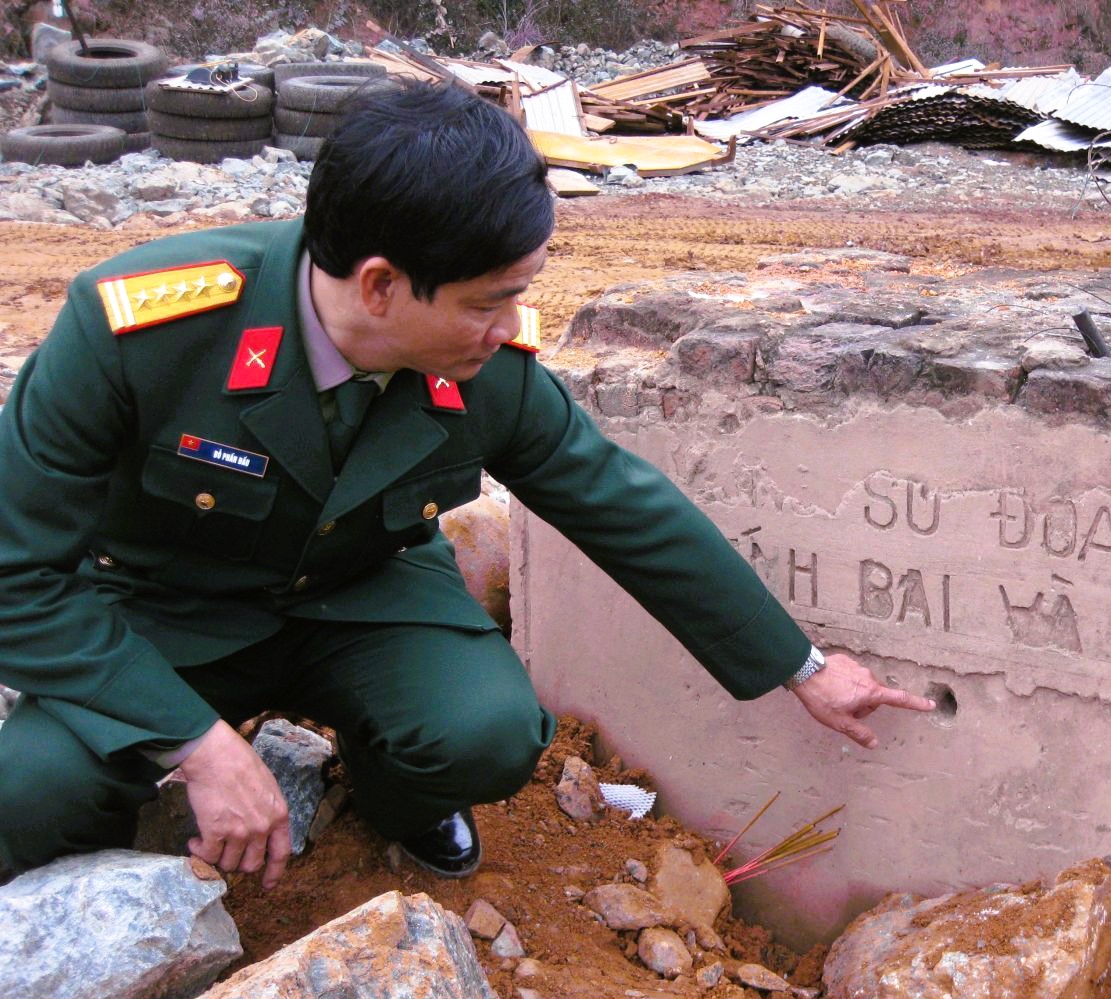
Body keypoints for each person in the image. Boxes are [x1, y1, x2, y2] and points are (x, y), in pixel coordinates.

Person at [0, 79, 933, 889]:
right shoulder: (140, 330)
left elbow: (618, 504)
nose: (512, 324)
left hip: (359, 596)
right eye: (490, 301)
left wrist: (800, 668)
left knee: (484, 732)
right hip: (165, 610)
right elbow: (14, 577)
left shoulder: (485, 368)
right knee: (30, 788)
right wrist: (198, 746)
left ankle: (394, 799)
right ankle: (118, 902)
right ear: (379, 287)